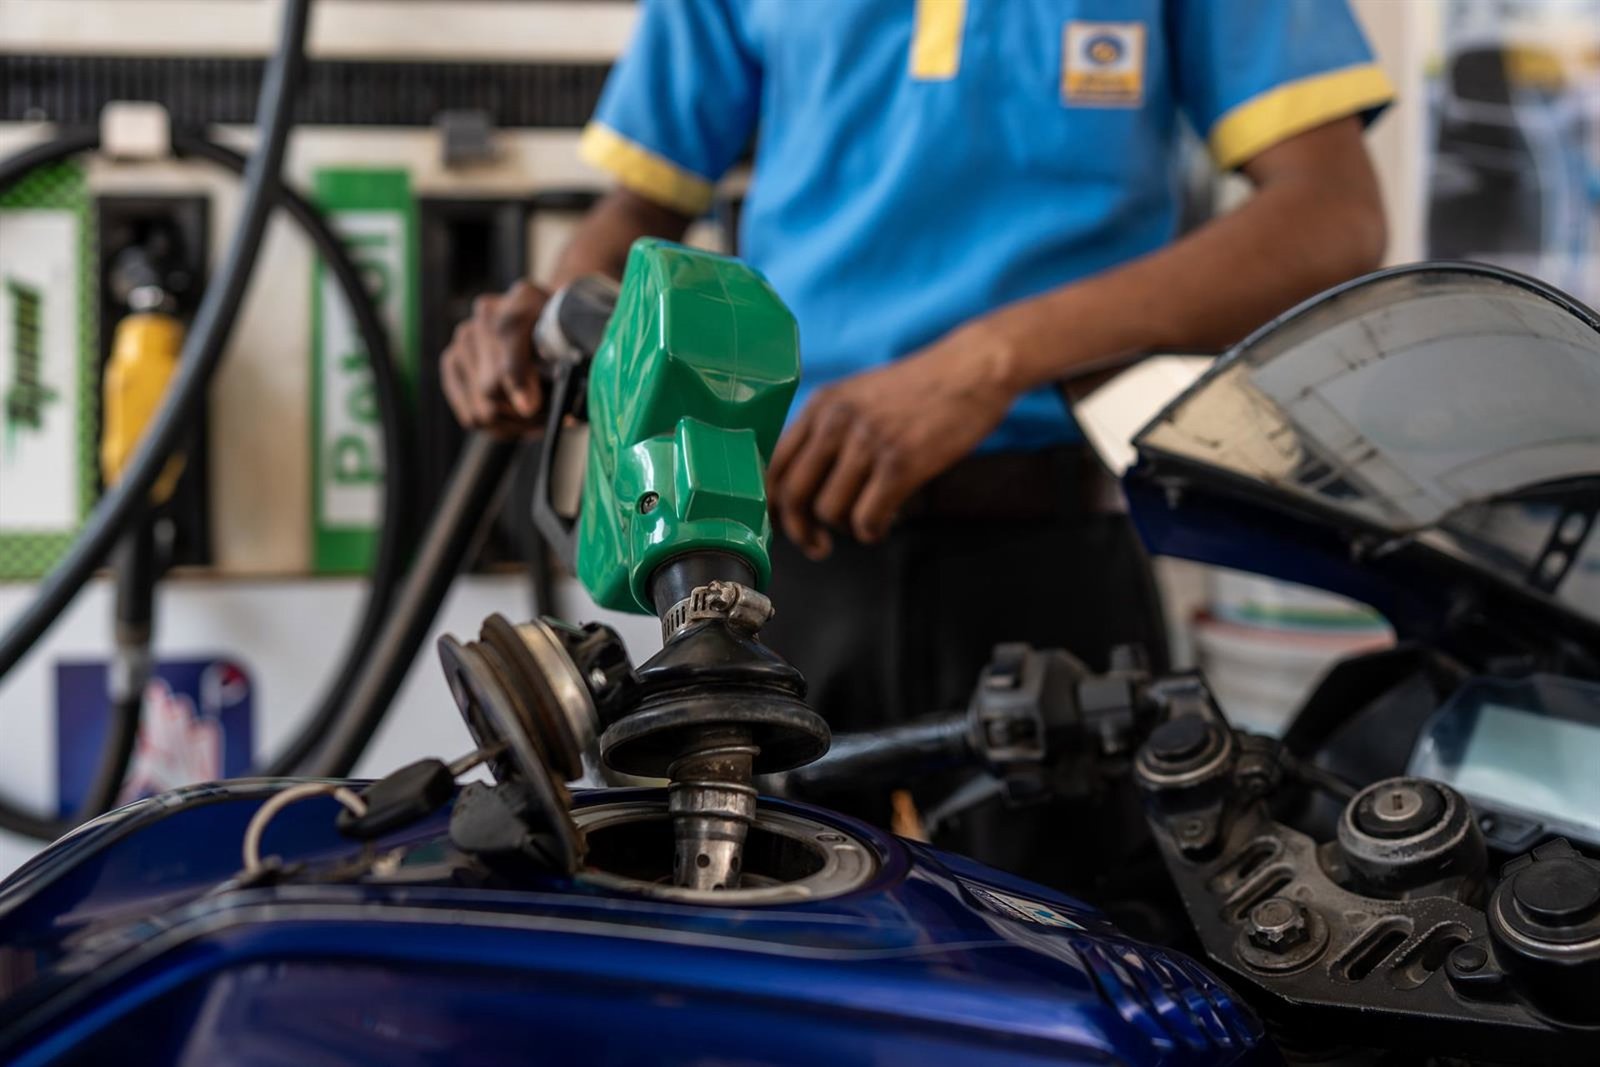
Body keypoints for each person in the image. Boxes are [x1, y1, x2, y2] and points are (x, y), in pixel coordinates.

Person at [440, 0, 1392, 889]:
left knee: (1073, 958)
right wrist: (555, 322)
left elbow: (1333, 214)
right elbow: (637, 211)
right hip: (771, 558)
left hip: (1051, 565)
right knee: (748, 934)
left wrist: (988, 361)